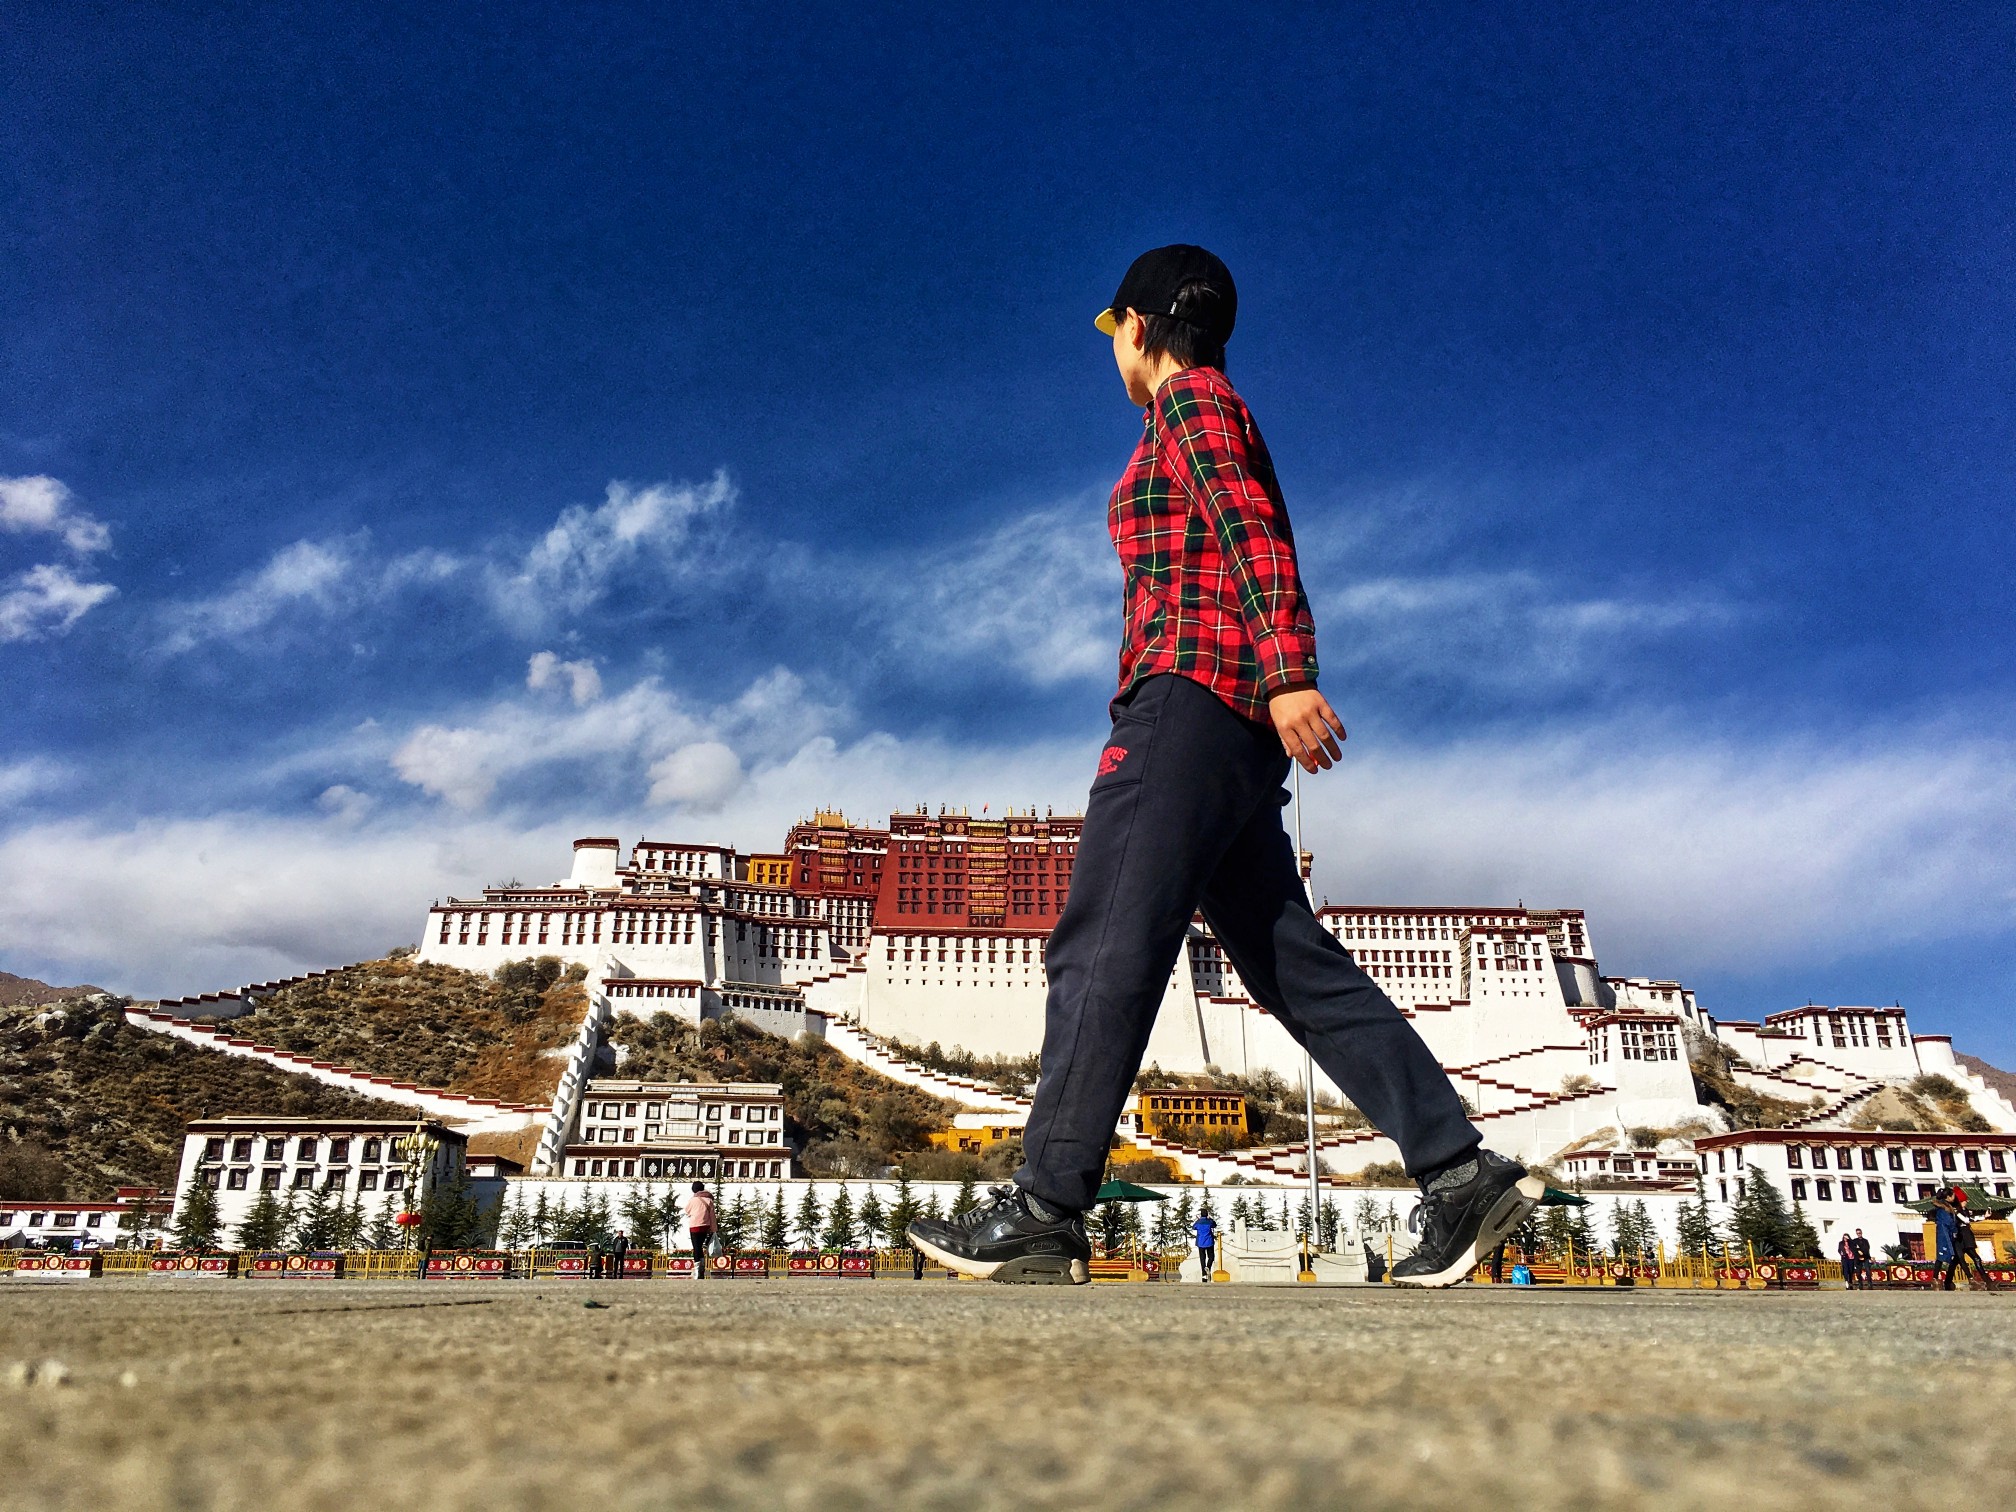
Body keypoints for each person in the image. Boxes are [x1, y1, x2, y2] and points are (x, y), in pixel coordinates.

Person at [906, 245, 1542, 1288]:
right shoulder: (1211, 406)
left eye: (1116, 334)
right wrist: (1274, 685)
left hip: (1190, 701)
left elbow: (1252, 533)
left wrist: (1291, 672)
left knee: (1103, 937)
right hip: (1230, 728)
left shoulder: (1192, 406)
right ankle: (1461, 1174)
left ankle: (1045, 1200)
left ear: (1141, 331)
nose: (1114, 353)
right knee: (1292, 963)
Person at [684, 1182, 717, 1281]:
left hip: (694, 1226)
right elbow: (712, 1216)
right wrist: (714, 1229)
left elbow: (687, 1211)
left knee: (696, 1247)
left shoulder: (692, 1200)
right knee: (701, 1247)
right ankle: (702, 1268)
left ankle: (698, 1269)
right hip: (705, 1227)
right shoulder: (709, 1200)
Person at [1193, 1210, 1218, 1282]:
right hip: (1209, 1242)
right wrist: (1210, 1219)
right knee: (1211, 1257)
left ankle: (1204, 1276)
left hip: (1200, 1242)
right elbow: (1214, 1225)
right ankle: (1208, 1267)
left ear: (1201, 1215)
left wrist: (1198, 1220)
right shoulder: (1209, 1221)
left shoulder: (1198, 1222)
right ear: (1207, 1214)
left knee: (1202, 1258)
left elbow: (1193, 1227)